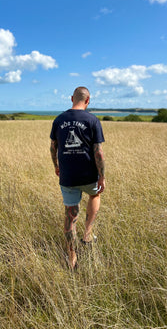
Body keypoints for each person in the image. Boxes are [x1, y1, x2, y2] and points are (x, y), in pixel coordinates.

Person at [50, 86, 105, 270]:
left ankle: (72, 258)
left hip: (68, 177)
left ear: (71, 98)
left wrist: (56, 166)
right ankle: (87, 235)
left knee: (70, 217)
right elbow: (98, 152)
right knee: (95, 195)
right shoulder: (92, 120)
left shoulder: (59, 120)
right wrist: (102, 176)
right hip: (89, 176)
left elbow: (53, 148)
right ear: (88, 100)